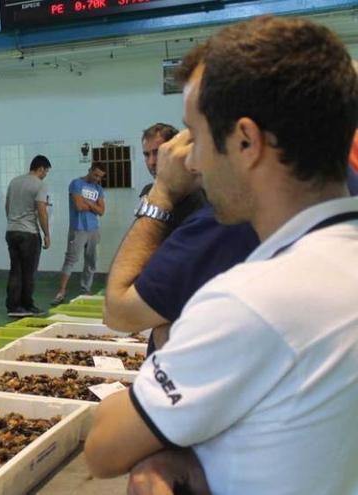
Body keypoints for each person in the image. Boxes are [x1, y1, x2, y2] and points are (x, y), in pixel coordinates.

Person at [86, 16, 358, 495]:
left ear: (246, 142)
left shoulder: (252, 302)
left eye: (197, 136)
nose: (191, 162)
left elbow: (105, 446)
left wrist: (181, 344)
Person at [104, 123, 259, 353]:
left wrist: (162, 192)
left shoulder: (215, 211)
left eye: (160, 152)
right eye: (147, 154)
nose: (153, 161)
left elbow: (118, 309)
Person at [51, 163, 106, 304]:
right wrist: (93, 205)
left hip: (94, 229)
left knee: (91, 260)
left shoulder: (98, 188)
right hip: (78, 228)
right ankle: (61, 291)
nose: (97, 179)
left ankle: (85, 289)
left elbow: (101, 211)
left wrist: (87, 202)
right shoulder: (76, 184)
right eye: (95, 175)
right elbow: (79, 206)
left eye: (100, 177)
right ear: (90, 170)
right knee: (70, 259)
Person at [4, 154, 52, 317]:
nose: (45, 174)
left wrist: (13, 223)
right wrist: (46, 234)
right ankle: (26, 304)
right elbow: (41, 211)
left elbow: (7, 205)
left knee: (15, 270)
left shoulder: (14, 181)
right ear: (40, 168)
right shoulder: (40, 185)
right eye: (45, 171)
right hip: (29, 233)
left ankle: (13, 306)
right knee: (28, 271)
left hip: (12, 231)